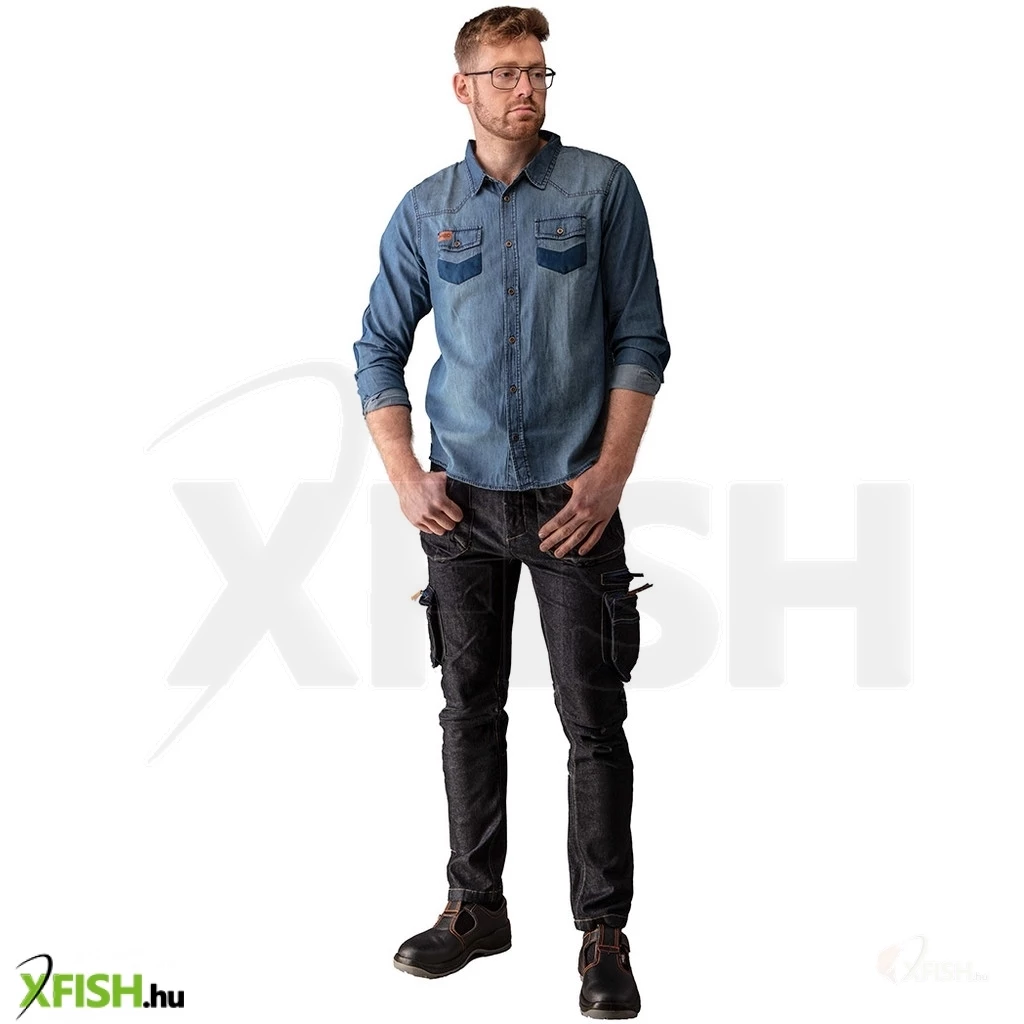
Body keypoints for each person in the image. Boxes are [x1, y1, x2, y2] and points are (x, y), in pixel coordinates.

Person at [352, 6, 669, 1018]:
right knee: (467, 711)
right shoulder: (426, 208)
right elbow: (376, 347)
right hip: (461, 507)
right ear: (463, 87)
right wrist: (406, 476)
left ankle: (602, 932)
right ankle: (474, 908)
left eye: (537, 70)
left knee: (593, 721)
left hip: (575, 502)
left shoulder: (601, 189)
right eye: (504, 72)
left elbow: (641, 339)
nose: (525, 87)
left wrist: (609, 476)